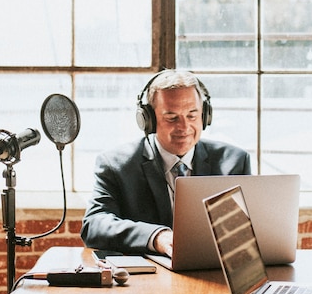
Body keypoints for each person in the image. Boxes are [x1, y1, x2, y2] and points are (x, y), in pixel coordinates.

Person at [81, 69, 251, 257]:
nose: (184, 128)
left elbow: (250, 230)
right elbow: (94, 225)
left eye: (192, 115)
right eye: (172, 118)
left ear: (205, 115)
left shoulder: (235, 162)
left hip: (214, 276)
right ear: (148, 120)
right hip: (148, 281)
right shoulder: (116, 165)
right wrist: (156, 237)